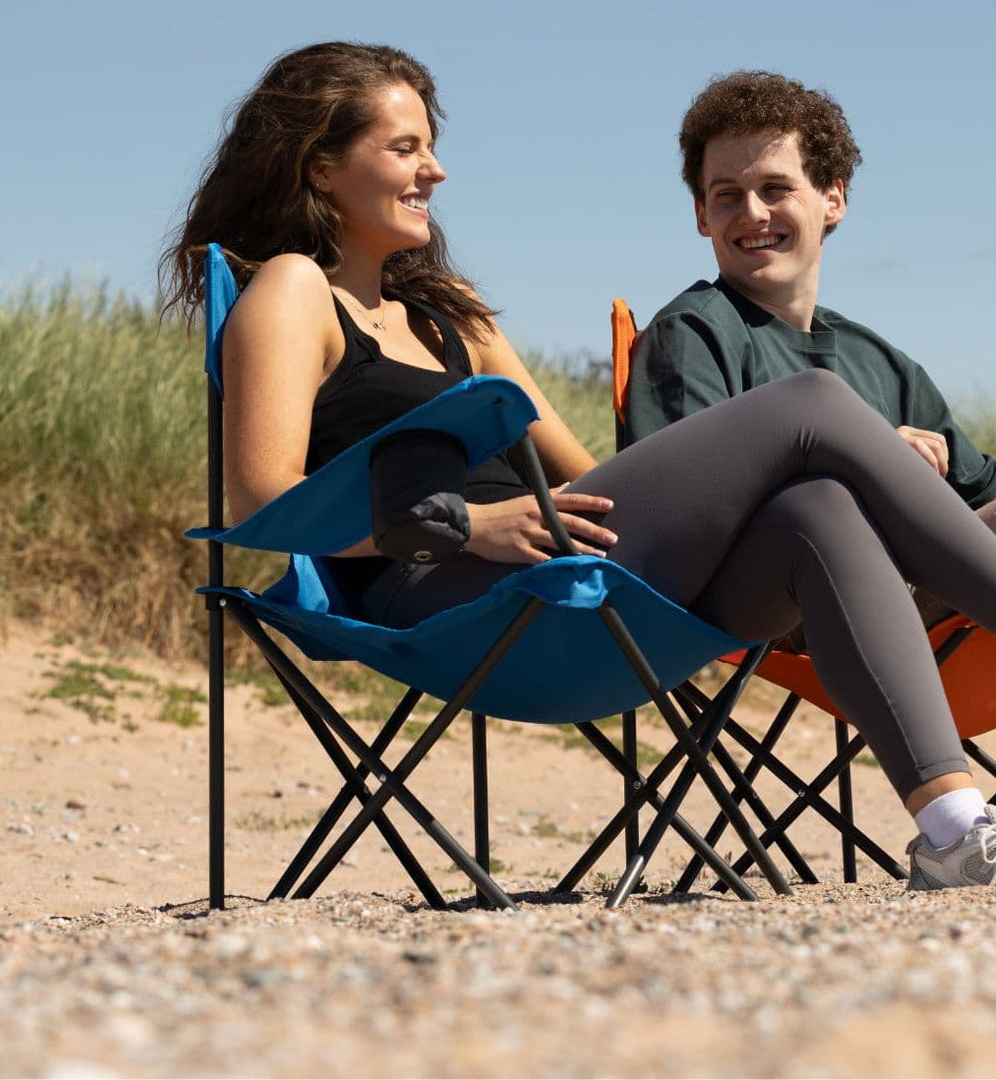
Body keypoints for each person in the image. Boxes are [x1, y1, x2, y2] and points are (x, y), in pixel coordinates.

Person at [162, 43, 996, 890]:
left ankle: (954, 833)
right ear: (321, 167)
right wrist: (470, 525)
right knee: (814, 403)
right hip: (453, 597)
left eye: (430, 146)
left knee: (815, 509)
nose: (435, 171)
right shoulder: (293, 290)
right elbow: (264, 500)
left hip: (578, 576)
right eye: (405, 147)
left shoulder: (454, 314)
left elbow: (596, 473)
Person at [625, 70, 996, 632]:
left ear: (833, 198)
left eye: (775, 189)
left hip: (923, 602)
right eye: (727, 195)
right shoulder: (692, 333)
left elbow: (980, 495)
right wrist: (874, 470)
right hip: (785, 600)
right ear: (702, 216)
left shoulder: (881, 362)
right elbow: (678, 520)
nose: (752, 212)